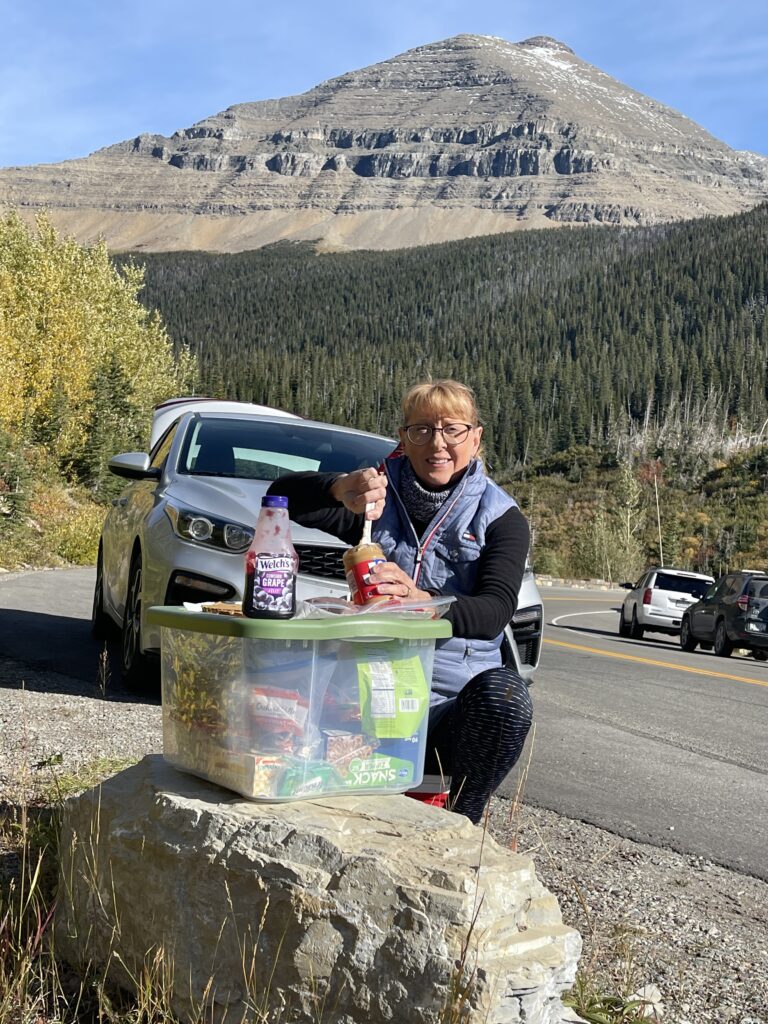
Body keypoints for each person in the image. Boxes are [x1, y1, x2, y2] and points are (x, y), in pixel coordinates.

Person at [267, 379, 533, 824]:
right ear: (404, 438)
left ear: (476, 437)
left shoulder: (502, 518)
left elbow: (495, 611)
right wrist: (337, 488)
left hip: (444, 709)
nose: (438, 443)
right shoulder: (373, 501)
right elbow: (280, 496)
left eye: (453, 429)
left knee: (506, 698)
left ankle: (461, 822)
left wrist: (424, 602)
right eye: (422, 430)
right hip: (359, 703)